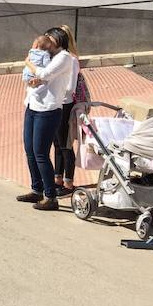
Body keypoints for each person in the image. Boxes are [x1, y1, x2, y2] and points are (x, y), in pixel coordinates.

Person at [17, 26, 78, 211]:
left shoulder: (64, 58)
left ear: (58, 39)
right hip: (32, 105)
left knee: (41, 153)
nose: (45, 42)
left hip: (49, 110)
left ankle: (50, 196)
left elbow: (44, 74)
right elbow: (38, 77)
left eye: (48, 38)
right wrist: (34, 78)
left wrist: (28, 63)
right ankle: (37, 189)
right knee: (30, 150)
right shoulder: (45, 55)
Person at [53, 25, 82, 197]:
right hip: (57, 103)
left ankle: (69, 183)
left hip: (65, 104)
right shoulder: (58, 57)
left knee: (65, 143)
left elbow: (70, 87)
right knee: (57, 143)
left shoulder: (71, 59)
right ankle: (58, 179)